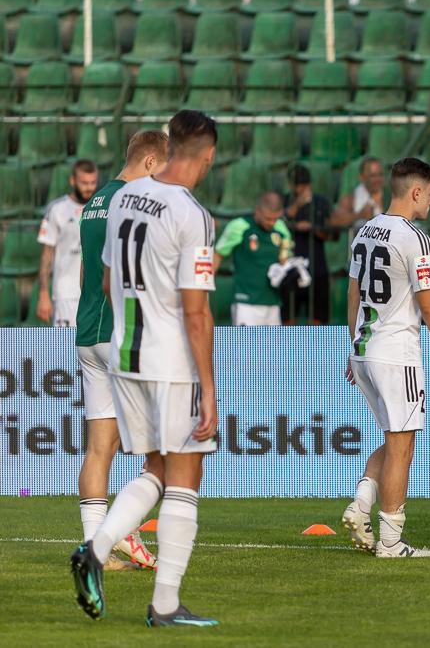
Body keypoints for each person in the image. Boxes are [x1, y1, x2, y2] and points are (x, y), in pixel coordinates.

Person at [70, 109, 221, 627]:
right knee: (186, 473)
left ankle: (97, 548)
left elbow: (107, 279)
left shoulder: (121, 200)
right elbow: (196, 310)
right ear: (207, 154)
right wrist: (208, 384)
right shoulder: (192, 212)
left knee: (156, 467)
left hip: (125, 350)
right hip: (169, 356)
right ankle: (162, 603)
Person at [342, 157, 430, 558]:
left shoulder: (364, 231)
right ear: (415, 192)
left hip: (365, 350)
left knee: (393, 438)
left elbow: (353, 295)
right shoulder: (415, 239)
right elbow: (429, 304)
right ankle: (391, 541)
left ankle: (361, 503)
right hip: (397, 353)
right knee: (403, 446)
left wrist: (353, 346)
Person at [76, 131, 167, 572]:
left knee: (99, 449)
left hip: (87, 332)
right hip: (120, 334)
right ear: (150, 162)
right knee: (161, 447)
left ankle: (94, 547)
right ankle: (125, 530)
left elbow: (85, 273)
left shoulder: (93, 204)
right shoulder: (135, 204)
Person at [213, 193, 293, 326]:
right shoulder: (238, 226)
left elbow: (285, 260)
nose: (271, 223)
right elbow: (217, 255)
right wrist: (203, 288)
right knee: (247, 347)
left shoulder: (282, 229)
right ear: (258, 210)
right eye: (268, 218)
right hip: (246, 303)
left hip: (273, 303)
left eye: (275, 219)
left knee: (273, 347)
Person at [36, 159, 99, 327]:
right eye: (84, 182)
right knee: (66, 350)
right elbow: (47, 254)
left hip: (95, 294)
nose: (89, 187)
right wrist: (43, 294)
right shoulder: (57, 209)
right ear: (73, 181)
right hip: (66, 295)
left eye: (93, 182)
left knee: (92, 352)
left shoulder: (101, 209)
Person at [283, 165, 332, 324]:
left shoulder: (321, 202)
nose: (301, 187)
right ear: (291, 185)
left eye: (304, 184)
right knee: (288, 319)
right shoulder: (285, 201)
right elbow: (277, 224)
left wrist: (311, 228)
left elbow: (332, 233)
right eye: (297, 184)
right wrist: (297, 204)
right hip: (290, 268)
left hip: (317, 268)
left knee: (318, 320)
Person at [334, 156, 383, 238]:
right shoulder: (351, 199)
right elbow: (335, 221)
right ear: (362, 177)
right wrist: (359, 215)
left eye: (380, 175)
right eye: (373, 176)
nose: (378, 179)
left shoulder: (391, 195)